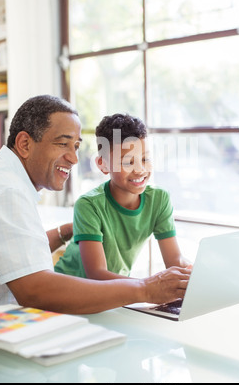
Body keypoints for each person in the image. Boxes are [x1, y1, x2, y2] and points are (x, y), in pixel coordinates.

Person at [0, 95, 190, 315]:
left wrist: (66, 230)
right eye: (62, 143)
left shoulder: (7, 182)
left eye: (76, 146)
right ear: (24, 144)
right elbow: (35, 291)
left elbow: (20, 251)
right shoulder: (8, 191)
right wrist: (145, 288)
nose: (74, 158)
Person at [54, 113, 192, 281]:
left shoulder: (159, 199)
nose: (140, 169)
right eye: (128, 162)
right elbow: (97, 274)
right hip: (72, 292)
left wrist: (190, 270)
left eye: (145, 158)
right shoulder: (88, 205)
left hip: (117, 292)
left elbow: (174, 261)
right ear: (103, 164)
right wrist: (151, 286)